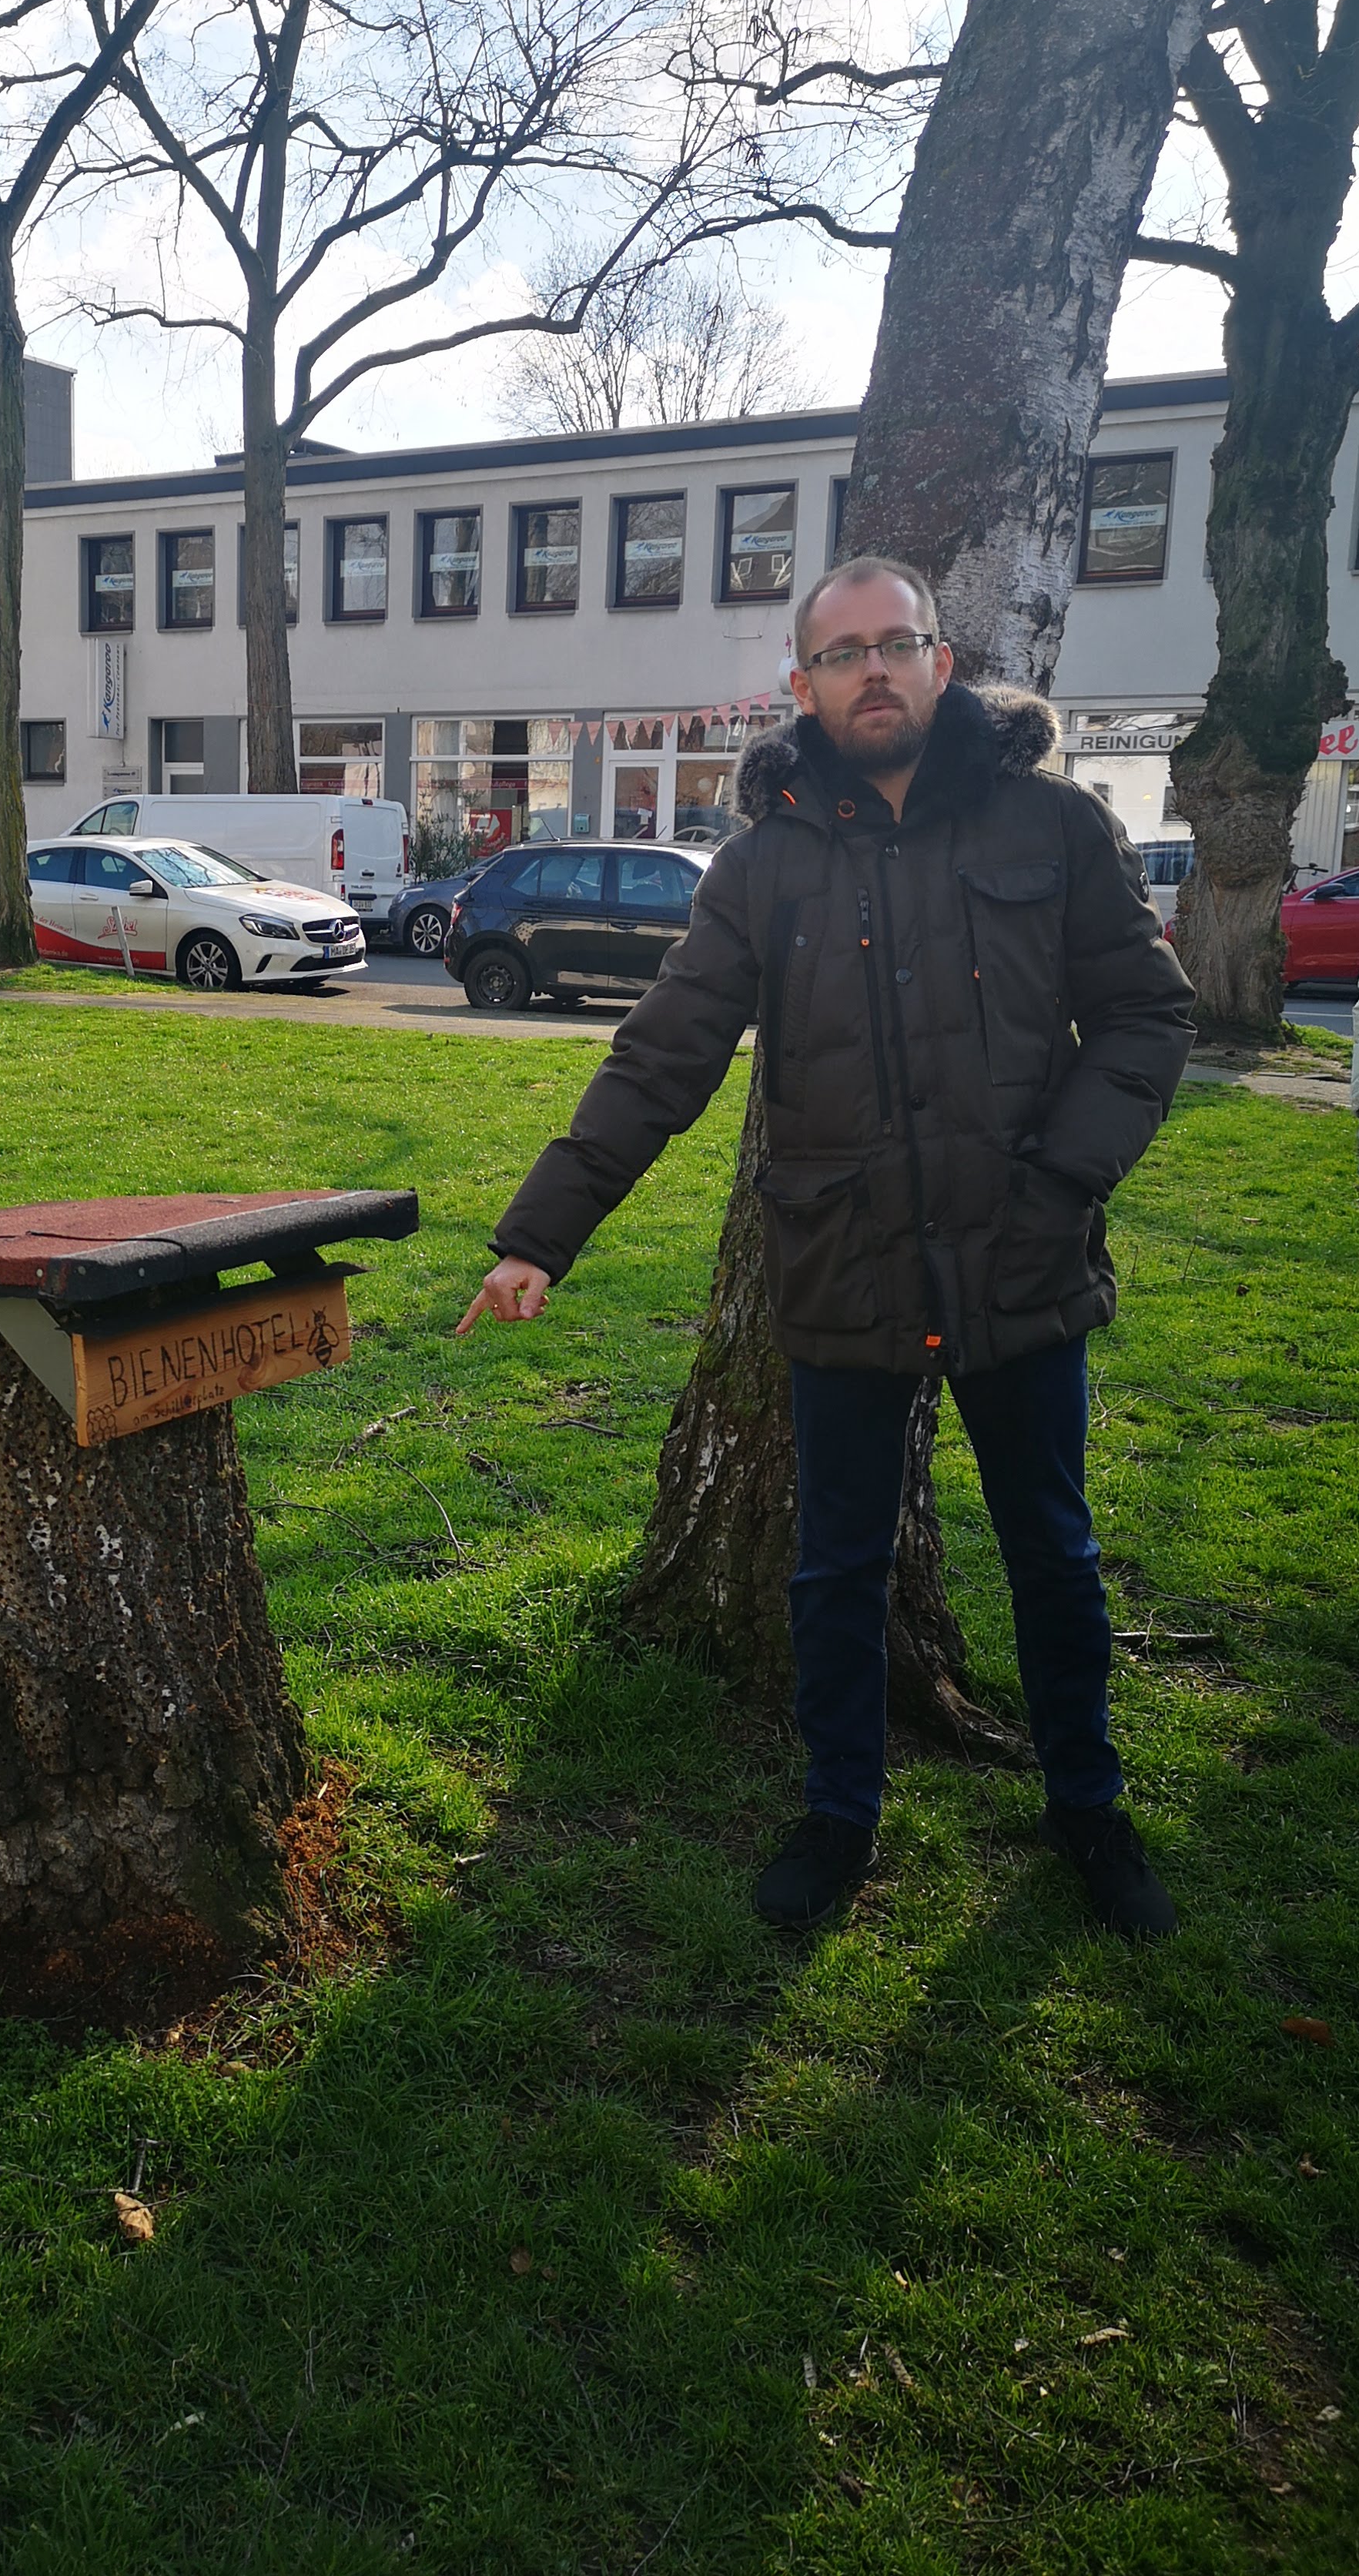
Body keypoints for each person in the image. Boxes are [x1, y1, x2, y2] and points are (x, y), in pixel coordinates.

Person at [460, 557, 1196, 1936]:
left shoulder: (1055, 825)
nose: (874, 671)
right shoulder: (765, 865)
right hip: (842, 1259)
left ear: (940, 662)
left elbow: (1148, 1019)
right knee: (838, 1568)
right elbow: (664, 1054)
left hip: (1024, 1255)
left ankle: (1090, 1811)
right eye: (843, 653)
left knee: (1053, 1553)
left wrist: (1063, 1183)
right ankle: (838, 1816)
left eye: (895, 645)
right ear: (803, 686)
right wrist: (539, 1237)